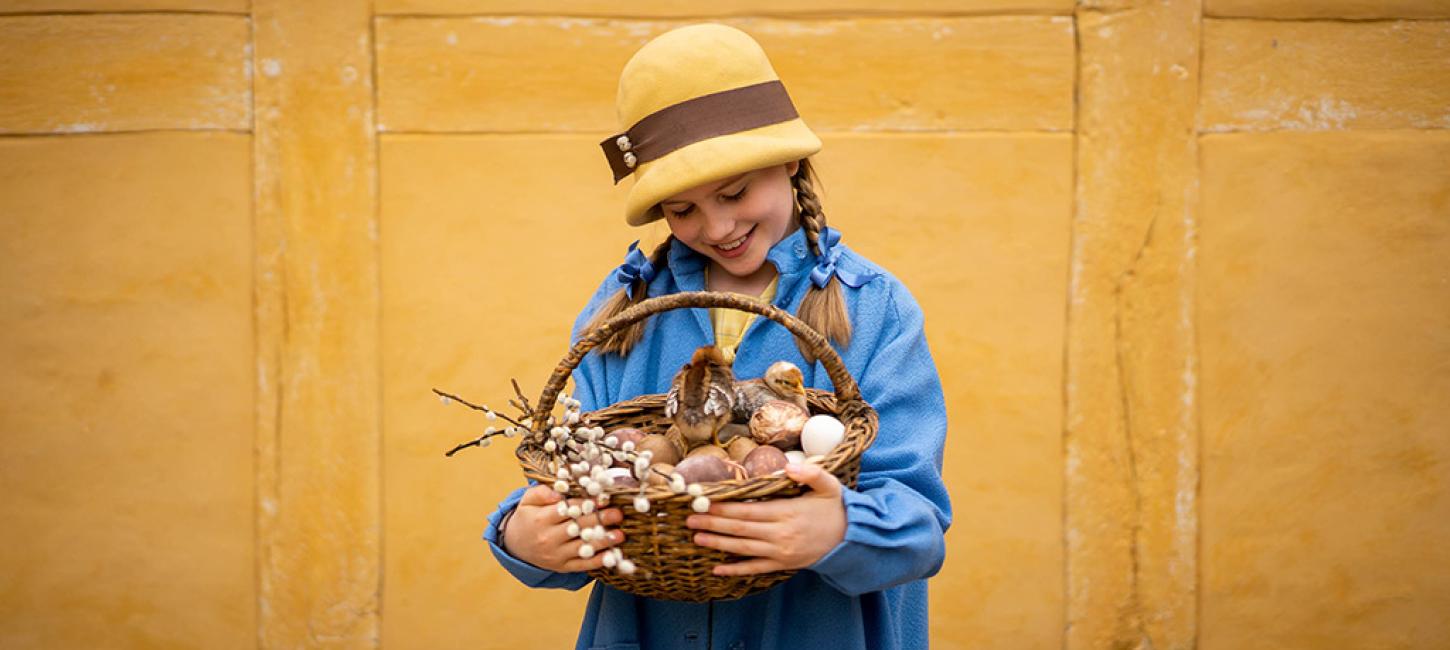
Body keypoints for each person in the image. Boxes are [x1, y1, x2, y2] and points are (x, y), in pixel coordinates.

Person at [482, 23, 951, 650]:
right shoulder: (625, 314)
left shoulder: (873, 310)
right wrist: (524, 538)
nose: (719, 225)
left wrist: (842, 529)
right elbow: (577, 475)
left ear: (789, 160)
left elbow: (920, 525)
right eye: (683, 209)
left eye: (734, 192)